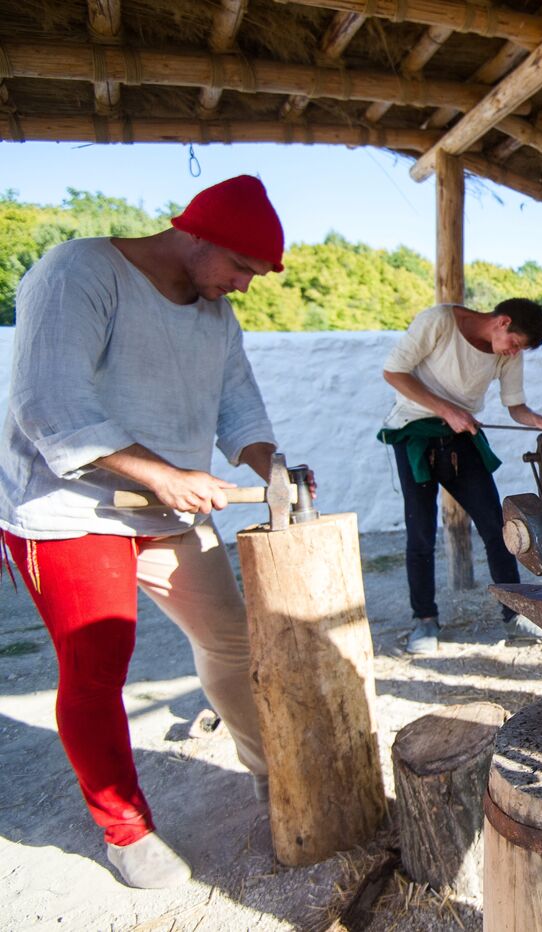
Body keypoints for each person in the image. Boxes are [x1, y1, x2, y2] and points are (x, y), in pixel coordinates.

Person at [0, 174, 312, 889]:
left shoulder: (215, 313)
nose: (244, 285)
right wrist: (162, 475)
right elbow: (48, 403)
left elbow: (240, 408)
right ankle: (125, 829)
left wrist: (273, 471)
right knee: (96, 665)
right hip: (69, 512)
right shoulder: (81, 270)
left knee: (231, 643)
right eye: (240, 268)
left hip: (168, 513)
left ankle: (276, 778)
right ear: (197, 234)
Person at [379, 298, 542, 653]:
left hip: (461, 436)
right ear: (502, 322)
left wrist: (540, 422)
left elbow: (515, 406)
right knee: (421, 533)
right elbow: (394, 372)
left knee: (497, 526)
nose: (514, 354)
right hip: (413, 432)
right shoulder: (438, 322)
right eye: (515, 344)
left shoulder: (507, 352)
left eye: (520, 350)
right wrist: (445, 410)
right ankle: (424, 620)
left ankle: (514, 614)